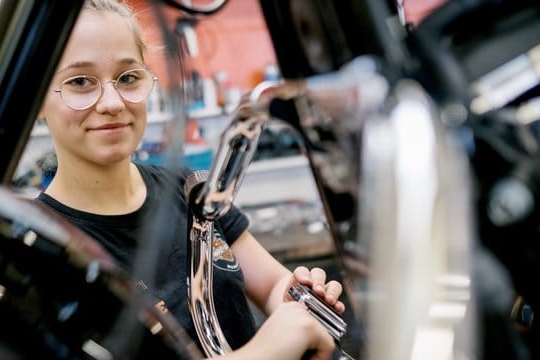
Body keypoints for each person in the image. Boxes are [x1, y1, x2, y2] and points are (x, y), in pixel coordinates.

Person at [35, 0, 345, 358]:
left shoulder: (189, 189)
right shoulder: (40, 245)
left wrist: (298, 298)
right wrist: (279, 342)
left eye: (128, 77)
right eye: (80, 82)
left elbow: (274, 283)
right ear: (39, 100)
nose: (112, 102)